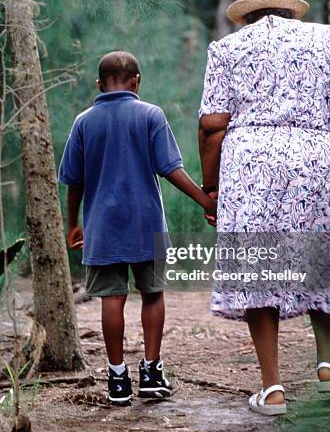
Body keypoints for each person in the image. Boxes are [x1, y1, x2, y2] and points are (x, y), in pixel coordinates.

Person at [199, 0, 330, 416]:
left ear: (247, 14)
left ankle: (273, 389)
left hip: (250, 163)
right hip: (312, 156)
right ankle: (327, 364)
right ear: (291, 10)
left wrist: (212, 187)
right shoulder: (324, 37)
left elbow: (212, 126)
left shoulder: (226, 49)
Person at [59, 51, 216, 405]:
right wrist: (205, 201)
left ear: (99, 84)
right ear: (137, 81)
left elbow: (74, 181)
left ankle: (117, 378)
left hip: (101, 225)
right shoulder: (150, 115)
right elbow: (171, 169)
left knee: (111, 299)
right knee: (153, 293)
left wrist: (73, 224)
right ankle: (151, 371)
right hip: (147, 223)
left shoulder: (83, 122)